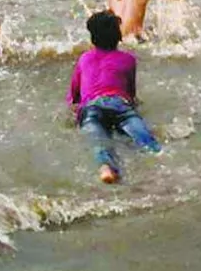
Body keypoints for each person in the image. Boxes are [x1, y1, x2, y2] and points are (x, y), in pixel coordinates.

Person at [69, 10, 161, 184]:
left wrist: (75, 115)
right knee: (147, 141)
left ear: (92, 37)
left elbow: (74, 95)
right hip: (120, 104)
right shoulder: (128, 59)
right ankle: (156, 158)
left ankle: (105, 168)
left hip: (91, 107)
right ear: (118, 36)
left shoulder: (84, 59)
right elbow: (131, 95)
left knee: (98, 141)